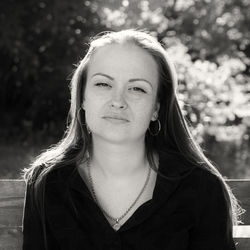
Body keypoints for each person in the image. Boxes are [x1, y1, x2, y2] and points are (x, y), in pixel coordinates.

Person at [22, 29, 243, 250]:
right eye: (103, 84)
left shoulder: (202, 188)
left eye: (137, 88)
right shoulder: (48, 182)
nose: (117, 101)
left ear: (156, 108)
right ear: (83, 97)